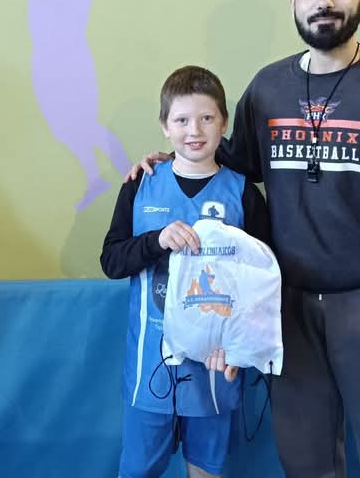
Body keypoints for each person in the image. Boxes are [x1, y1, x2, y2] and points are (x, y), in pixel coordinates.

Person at [131, 0, 360, 477]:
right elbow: (231, 163)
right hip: (284, 307)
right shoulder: (267, 88)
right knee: (305, 462)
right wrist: (170, 160)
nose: (323, 1)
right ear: (293, 1)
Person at [101, 65, 271, 478]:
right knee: (137, 470)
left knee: (206, 470)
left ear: (224, 124)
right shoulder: (140, 184)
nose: (194, 130)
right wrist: (156, 241)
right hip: (150, 365)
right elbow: (112, 261)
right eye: (181, 120)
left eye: (206, 118)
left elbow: (263, 284)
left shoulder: (244, 194)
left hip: (215, 368)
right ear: (164, 126)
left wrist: (241, 348)